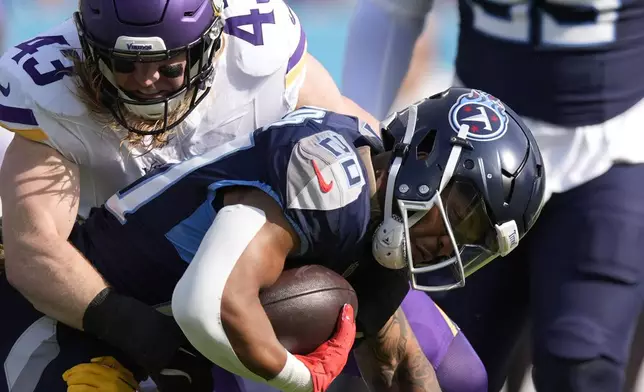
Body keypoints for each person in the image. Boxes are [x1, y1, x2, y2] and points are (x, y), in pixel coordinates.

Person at [1, 88, 545, 391]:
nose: (449, 245)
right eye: (456, 216)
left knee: (462, 381)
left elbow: (399, 364)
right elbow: (205, 304)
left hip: (183, 341)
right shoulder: (331, 175)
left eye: (471, 240)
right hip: (72, 322)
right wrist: (299, 376)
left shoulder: (385, 221)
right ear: (426, 160)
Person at [0, 0, 376, 357]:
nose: (146, 81)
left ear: (210, 45)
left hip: (262, 269)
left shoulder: (260, 53)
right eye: (124, 63)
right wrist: (127, 324)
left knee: (416, 337)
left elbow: (349, 140)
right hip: (114, 286)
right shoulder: (51, 92)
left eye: (168, 66)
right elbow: (33, 250)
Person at [341, 0, 644, 391]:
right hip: (465, 165)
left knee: (582, 368)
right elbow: (393, 9)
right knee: (447, 368)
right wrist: (356, 138)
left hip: (610, 151)